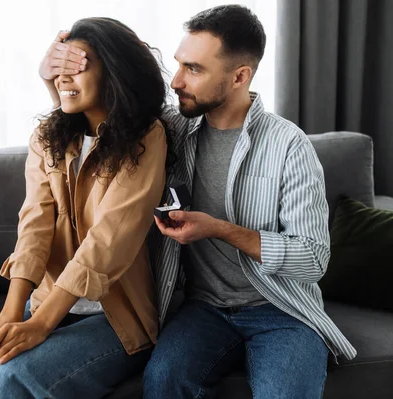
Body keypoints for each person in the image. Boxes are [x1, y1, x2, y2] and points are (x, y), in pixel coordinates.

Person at [39, 5, 356, 399]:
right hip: (203, 309)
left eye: (194, 69)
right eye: (178, 64)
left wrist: (219, 229)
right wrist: (53, 81)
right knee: (163, 382)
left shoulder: (289, 146)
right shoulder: (170, 129)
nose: (176, 81)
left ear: (240, 77)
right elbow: (105, 108)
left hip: (281, 309)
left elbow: (312, 259)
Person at [0, 17, 170, 399]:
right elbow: (34, 227)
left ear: (114, 71)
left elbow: (108, 242)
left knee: (5, 379)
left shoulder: (147, 137)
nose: (62, 78)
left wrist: (40, 326)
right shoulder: (49, 138)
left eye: (79, 66)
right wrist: (11, 317)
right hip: (45, 302)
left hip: (115, 318)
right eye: (58, 69)